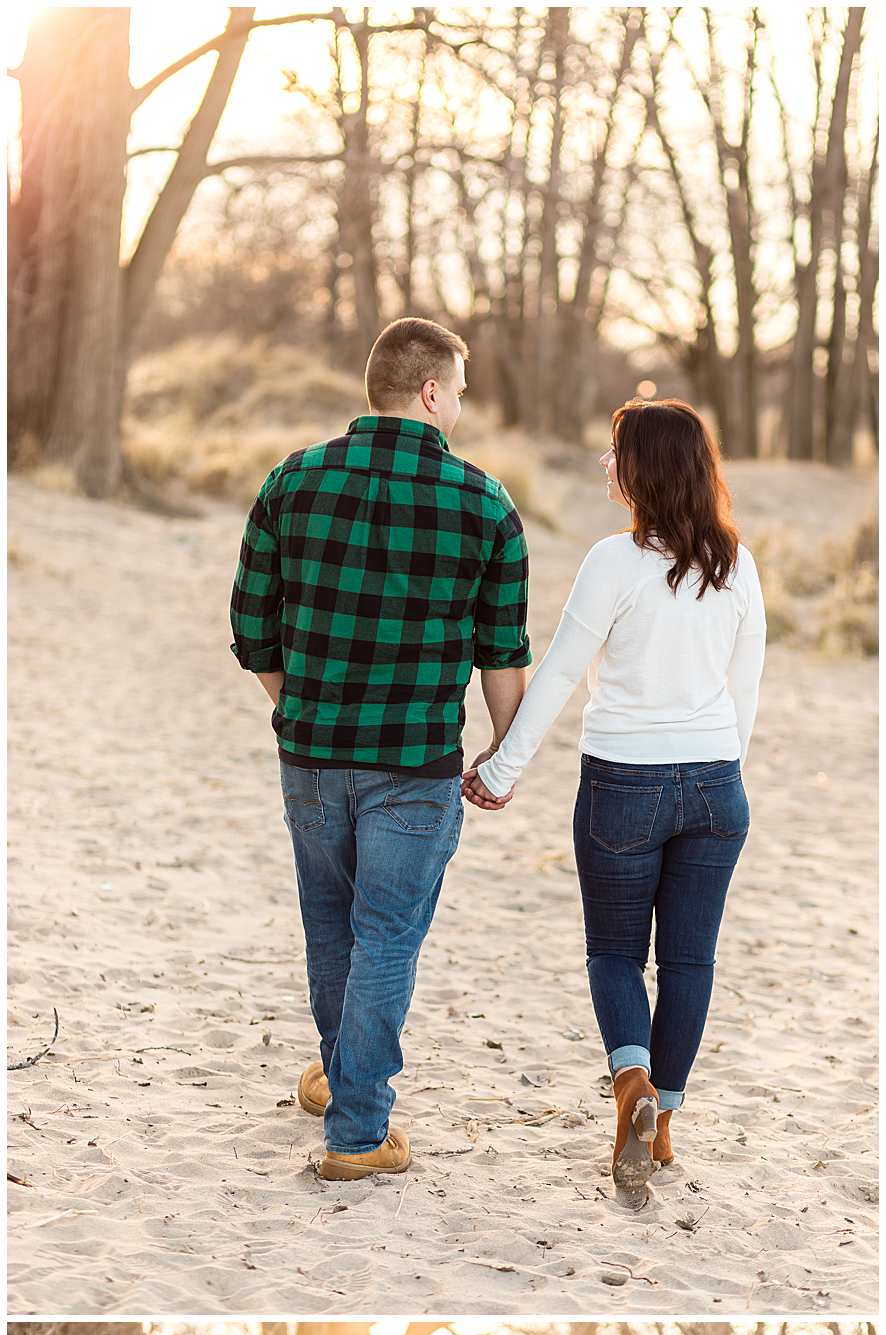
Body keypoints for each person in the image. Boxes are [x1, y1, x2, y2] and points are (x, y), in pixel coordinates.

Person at [230, 317, 530, 1181]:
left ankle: (341, 1078)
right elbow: (500, 651)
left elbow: (253, 627)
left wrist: (298, 712)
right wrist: (506, 754)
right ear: (432, 392)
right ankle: (360, 1132)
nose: (461, 409)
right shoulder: (484, 503)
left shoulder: (294, 480)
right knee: (387, 937)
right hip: (414, 763)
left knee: (333, 927)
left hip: (313, 754)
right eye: (460, 394)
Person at [464, 398, 767, 1207]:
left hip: (623, 785)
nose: (606, 466)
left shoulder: (612, 561)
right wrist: (717, 777)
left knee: (614, 954)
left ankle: (631, 1084)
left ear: (644, 469)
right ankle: (662, 1121)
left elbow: (558, 671)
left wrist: (500, 767)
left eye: (614, 453)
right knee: (691, 962)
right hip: (714, 785)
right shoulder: (736, 563)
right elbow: (745, 695)